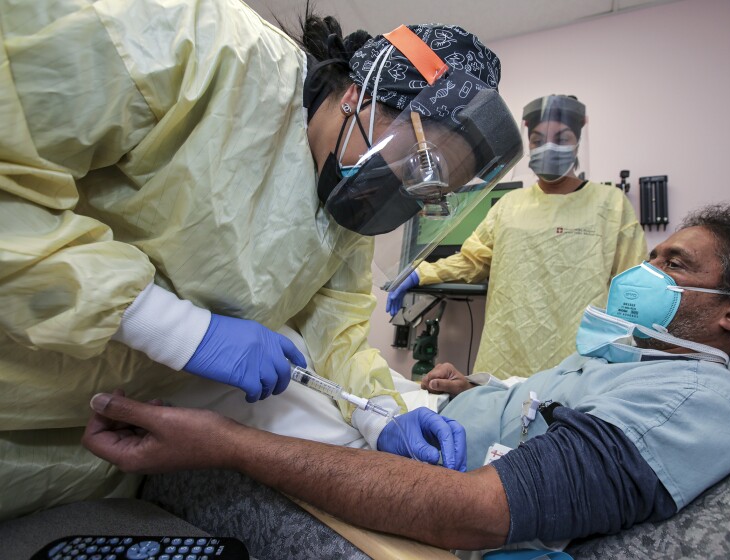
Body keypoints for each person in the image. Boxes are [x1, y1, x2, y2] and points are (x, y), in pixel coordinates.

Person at [0, 0, 523, 519]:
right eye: (419, 162)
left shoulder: (345, 214)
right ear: (360, 94)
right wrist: (177, 329)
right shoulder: (194, 45)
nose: (407, 190)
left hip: (97, 439)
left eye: (430, 187)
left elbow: (336, 330)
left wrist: (379, 416)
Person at [83, 203, 730, 551]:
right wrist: (473, 390)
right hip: (426, 419)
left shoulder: (696, 397)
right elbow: (545, 410)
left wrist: (227, 447)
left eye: (675, 266)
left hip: (425, 472)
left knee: (229, 395)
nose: (643, 272)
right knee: (288, 350)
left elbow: (477, 511)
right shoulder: (629, 362)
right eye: (653, 257)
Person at [386, 94, 648, 379]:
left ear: (578, 142)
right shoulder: (509, 205)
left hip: (579, 364)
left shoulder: (610, 203)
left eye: (561, 139)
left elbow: (633, 286)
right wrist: (419, 273)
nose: (547, 147)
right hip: (506, 358)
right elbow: (471, 261)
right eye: (537, 140)